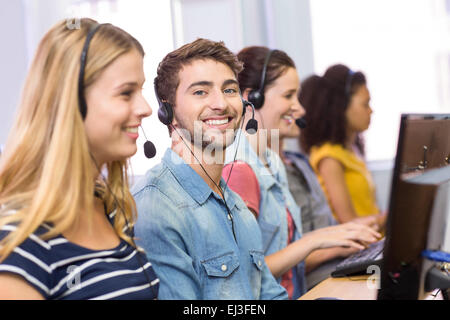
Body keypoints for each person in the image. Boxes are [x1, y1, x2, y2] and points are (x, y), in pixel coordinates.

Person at [0, 18, 159, 299]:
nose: (145, 108)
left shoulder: (109, 206)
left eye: (141, 91)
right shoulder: (19, 241)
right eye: (126, 93)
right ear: (72, 101)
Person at [132, 38, 287, 300]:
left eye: (229, 90)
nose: (221, 104)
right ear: (167, 112)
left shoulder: (236, 207)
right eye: (200, 92)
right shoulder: (157, 206)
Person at [223, 46, 381, 298]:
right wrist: (316, 241)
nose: (300, 108)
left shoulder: (272, 164)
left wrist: (332, 235)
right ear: (252, 98)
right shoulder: (239, 169)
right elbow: (245, 271)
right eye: (289, 96)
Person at [298, 64, 386, 227]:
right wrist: (387, 218)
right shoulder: (329, 158)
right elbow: (349, 223)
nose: (370, 111)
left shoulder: (352, 151)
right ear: (342, 108)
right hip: (360, 248)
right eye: (365, 104)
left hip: (375, 243)